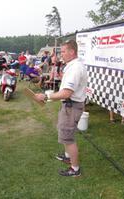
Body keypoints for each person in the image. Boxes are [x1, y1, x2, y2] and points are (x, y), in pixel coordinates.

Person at [35, 40, 88, 177]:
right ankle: (68, 157)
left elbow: (66, 93)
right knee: (65, 134)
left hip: (71, 106)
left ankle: (75, 169)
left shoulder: (76, 68)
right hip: (69, 105)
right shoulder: (72, 66)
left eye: (63, 51)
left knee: (68, 138)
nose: (61, 55)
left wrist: (46, 97)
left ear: (72, 52)